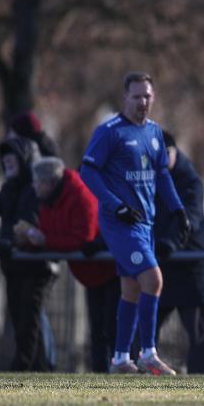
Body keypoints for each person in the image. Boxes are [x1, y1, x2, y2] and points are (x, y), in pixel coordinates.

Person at [80, 71, 191, 375]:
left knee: (130, 288)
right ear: (124, 98)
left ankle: (118, 359)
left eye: (147, 96)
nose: (143, 102)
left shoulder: (154, 133)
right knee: (153, 280)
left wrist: (178, 209)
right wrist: (116, 207)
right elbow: (88, 172)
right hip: (120, 225)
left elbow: (162, 175)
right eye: (137, 96)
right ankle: (148, 353)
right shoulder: (110, 132)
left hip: (145, 224)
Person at [24, 157, 119, 372]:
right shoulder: (48, 202)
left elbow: (82, 238)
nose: (34, 186)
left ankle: (120, 372)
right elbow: (52, 234)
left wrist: (44, 241)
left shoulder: (80, 194)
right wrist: (32, 242)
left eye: (38, 182)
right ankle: (100, 374)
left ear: (49, 183)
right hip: (89, 273)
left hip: (110, 269)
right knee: (97, 329)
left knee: (112, 327)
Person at [0, 137, 55, 371]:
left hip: (35, 267)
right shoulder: (10, 187)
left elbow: (31, 223)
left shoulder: (35, 187)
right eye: (4, 159)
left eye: (11, 157)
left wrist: (10, 241)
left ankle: (23, 366)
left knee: (29, 322)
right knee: (20, 320)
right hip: (14, 265)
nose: (7, 163)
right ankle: (40, 369)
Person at [154, 131, 204, 373]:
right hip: (163, 266)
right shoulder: (154, 179)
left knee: (199, 335)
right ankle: (141, 374)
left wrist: (169, 241)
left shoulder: (191, 182)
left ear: (173, 152)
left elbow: (190, 218)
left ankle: (202, 380)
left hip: (192, 268)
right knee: (145, 329)